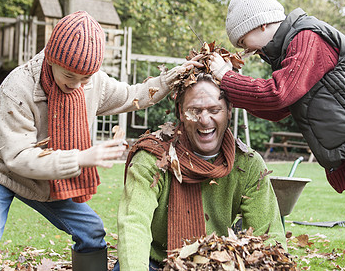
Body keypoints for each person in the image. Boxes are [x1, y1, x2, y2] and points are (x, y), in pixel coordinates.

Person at [0, 10, 202, 271]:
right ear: (52, 59)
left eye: (85, 78)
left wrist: (171, 78)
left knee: (92, 234)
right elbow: (18, 157)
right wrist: (80, 157)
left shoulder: (93, 83)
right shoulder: (17, 88)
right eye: (69, 76)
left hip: (45, 178)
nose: (77, 85)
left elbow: (131, 95)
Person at [209, 0, 345, 271]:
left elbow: (279, 94)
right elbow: (279, 108)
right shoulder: (289, 49)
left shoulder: (307, 37)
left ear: (261, 23)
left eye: (243, 42)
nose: (245, 52)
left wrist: (226, 78)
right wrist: (231, 90)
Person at [115, 73, 285, 270]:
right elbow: (134, 226)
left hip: (213, 262)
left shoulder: (248, 164)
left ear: (229, 110)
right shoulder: (153, 157)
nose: (204, 120)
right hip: (153, 261)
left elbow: (269, 234)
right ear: (180, 111)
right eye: (195, 110)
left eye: (214, 110)